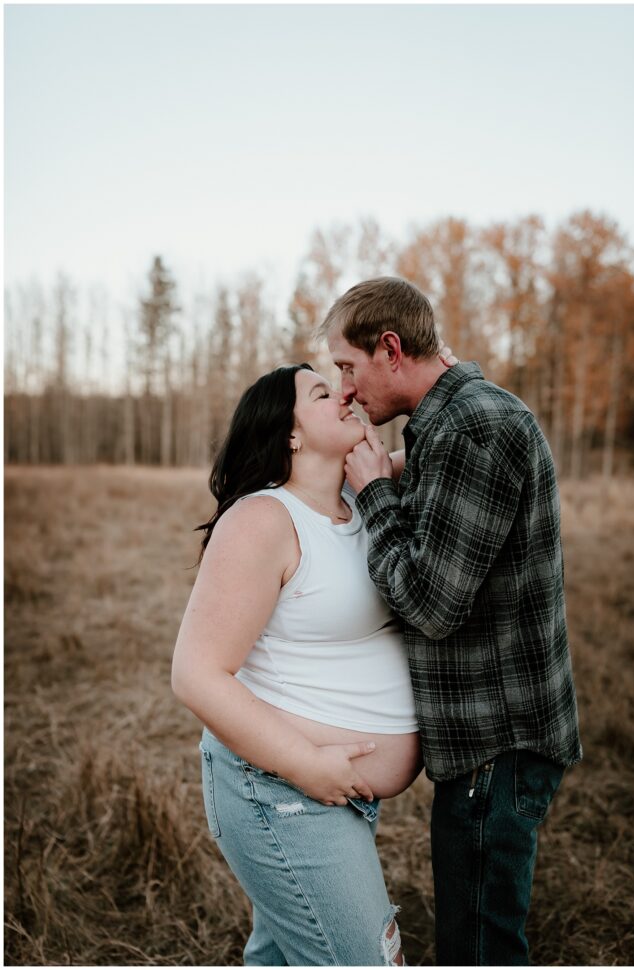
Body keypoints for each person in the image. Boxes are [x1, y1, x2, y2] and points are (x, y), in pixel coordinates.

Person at [314, 276, 583, 967]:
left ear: (391, 349)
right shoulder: (452, 422)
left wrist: (375, 491)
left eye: (348, 366)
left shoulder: (472, 427)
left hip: (495, 743)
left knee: (478, 948)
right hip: (488, 743)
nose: (345, 389)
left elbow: (430, 605)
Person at [172, 360, 455, 965]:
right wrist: (307, 765)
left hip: (330, 790)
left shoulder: (360, 498)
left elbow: (445, 444)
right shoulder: (263, 520)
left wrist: (444, 373)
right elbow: (195, 674)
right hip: (282, 787)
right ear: (291, 434)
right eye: (324, 393)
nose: (345, 395)